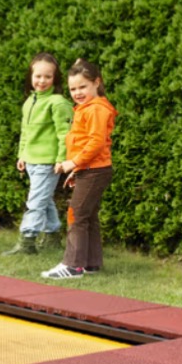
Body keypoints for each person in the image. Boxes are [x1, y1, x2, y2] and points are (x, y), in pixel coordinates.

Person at [41, 58, 117, 279]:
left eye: (83, 87)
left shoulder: (96, 109)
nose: (77, 93)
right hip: (90, 169)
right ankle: (91, 263)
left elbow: (96, 143)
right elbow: (83, 142)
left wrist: (73, 163)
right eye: (73, 89)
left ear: (97, 83)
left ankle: (73, 265)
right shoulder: (87, 108)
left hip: (95, 170)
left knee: (76, 214)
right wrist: (77, 168)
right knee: (88, 215)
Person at [3, 53, 74, 256]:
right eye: (38, 76)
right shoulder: (29, 102)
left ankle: (27, 241)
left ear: (55, 79)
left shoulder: (58, 103)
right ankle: (52, 237)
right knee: (45, 199)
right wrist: (22, 155)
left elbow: (65, 135)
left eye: (48, 77)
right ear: (31, 77)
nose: (42, 81)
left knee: (35, 202)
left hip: (47, 162)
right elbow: (26, 131)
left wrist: (61, 159)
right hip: (31, 160)